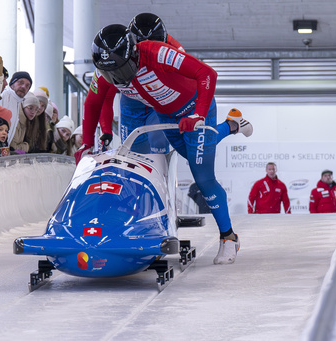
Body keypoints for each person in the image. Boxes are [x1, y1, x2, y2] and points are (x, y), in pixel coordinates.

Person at [91, 24, 238, 264]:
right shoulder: (110, 71)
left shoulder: (160, 53)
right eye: (111, 72)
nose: (117, 77)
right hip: (169, 116)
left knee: (203, 177)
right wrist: (94, 138)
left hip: (195, 112)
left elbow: (207, 74)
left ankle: (229, 238)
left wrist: (198, 115)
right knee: (190, 156)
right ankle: (231, 125)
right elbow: (97, 102)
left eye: (121, 69)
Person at [77, 13, 252, 161]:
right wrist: (103, 131)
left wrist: (197, 114)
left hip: (159, 99)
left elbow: (189, 85)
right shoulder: (115, 59)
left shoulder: (173, 51)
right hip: (132, 98)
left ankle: (231, 126)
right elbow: (103, 97)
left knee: (180, 148)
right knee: (130, 152)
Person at [0, 71, 33, 144]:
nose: (24, 87)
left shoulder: (17, 102)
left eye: (27, 86)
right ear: (12, 83)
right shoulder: (4, 96)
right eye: (20, 82)